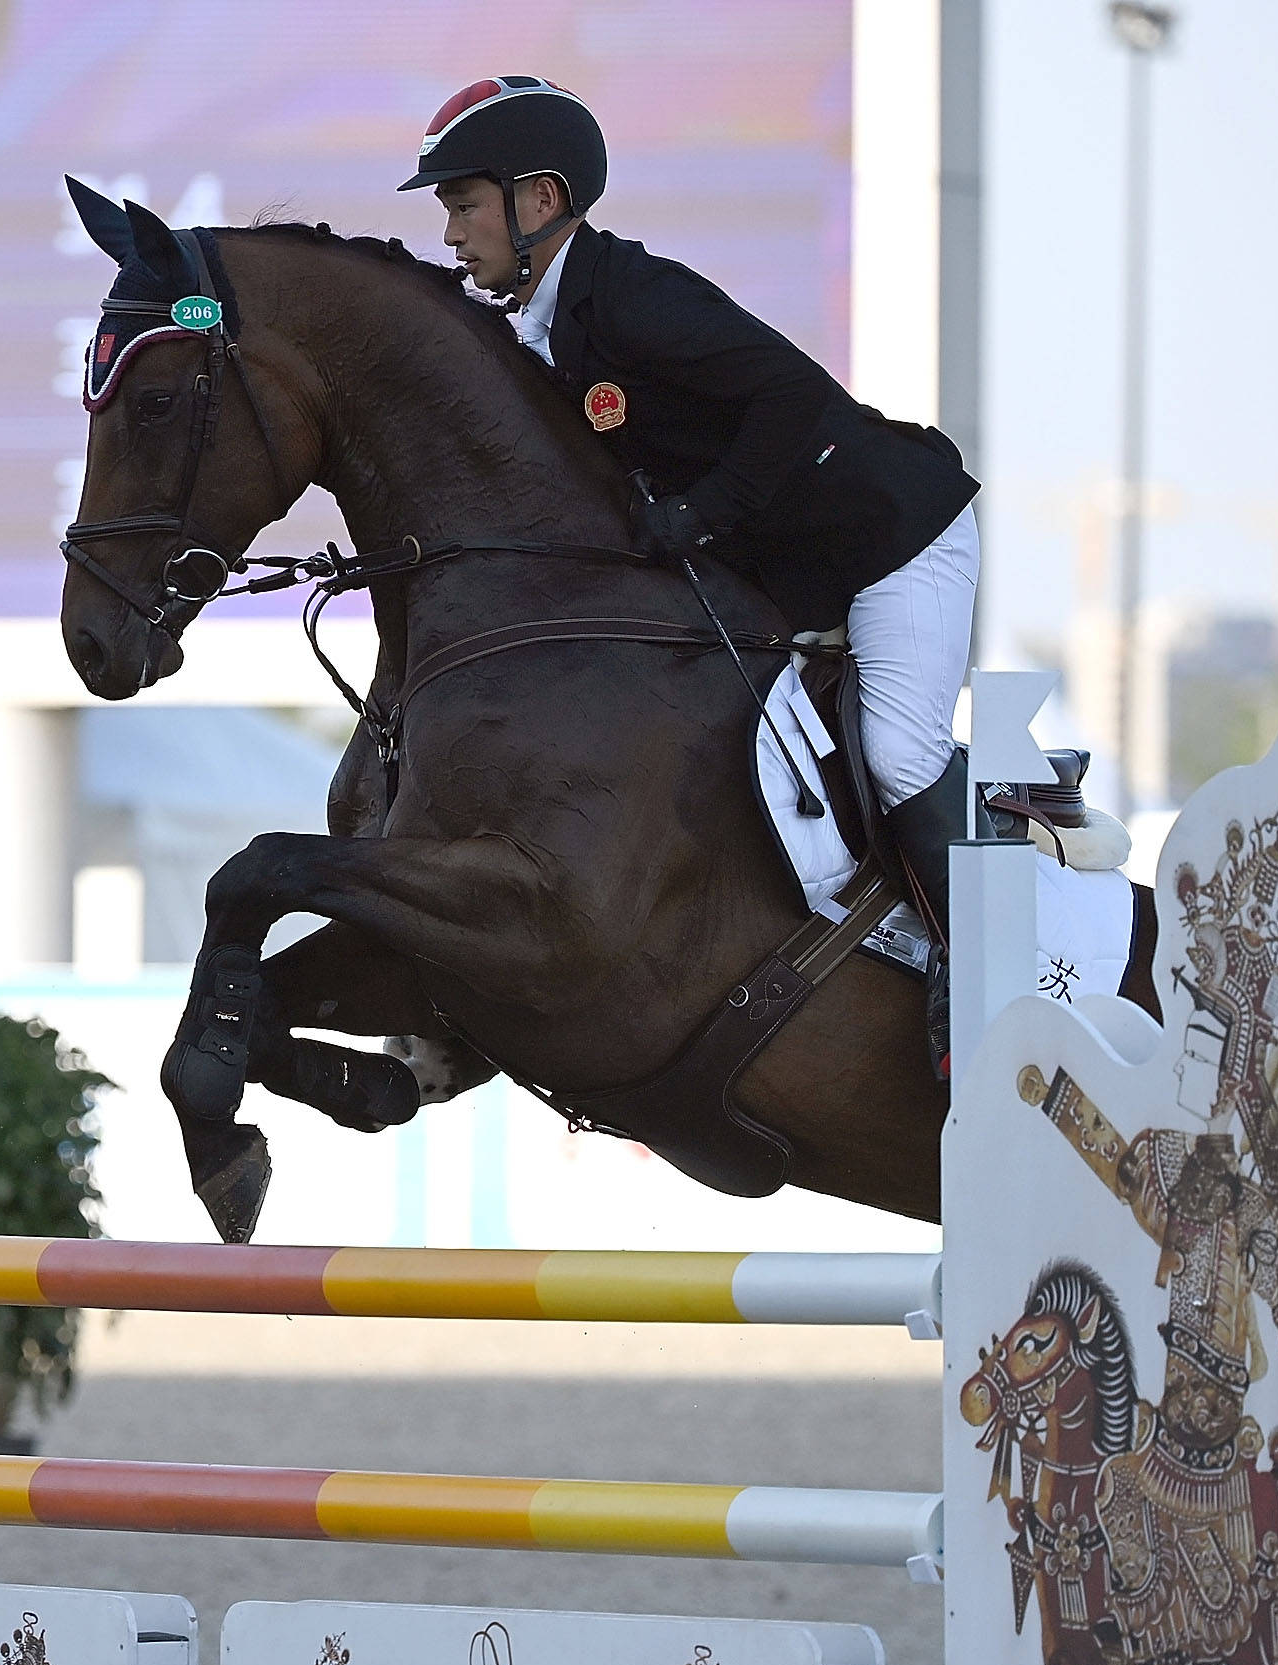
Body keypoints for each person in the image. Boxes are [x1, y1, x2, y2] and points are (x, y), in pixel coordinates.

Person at [404, 76, 985, 1072]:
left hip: (890, 541)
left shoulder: (635, 298)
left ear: (539, 201)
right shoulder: (535, 331)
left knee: (894, 753)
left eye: (463, 205)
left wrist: (698, 513)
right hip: (779, 574)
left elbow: (794, 403)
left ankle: (978, 985)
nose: (453, 234)